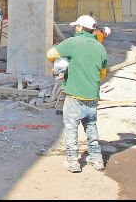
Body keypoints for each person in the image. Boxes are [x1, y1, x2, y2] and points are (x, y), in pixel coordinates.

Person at [46, 15, 108, 173]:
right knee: (92, 128)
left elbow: (50, 54)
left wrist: (65, 62)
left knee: (71, 128)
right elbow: (102, 74)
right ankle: (97, 159)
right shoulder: (99, 46)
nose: (75, 28)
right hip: (92, 96)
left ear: (81, 28)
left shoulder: (72, 42)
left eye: (76, 26)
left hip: (74, 95)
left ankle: (73, 161)